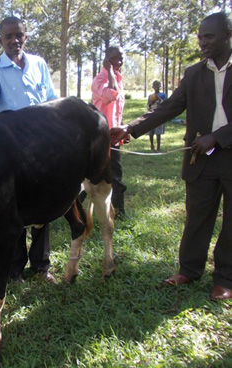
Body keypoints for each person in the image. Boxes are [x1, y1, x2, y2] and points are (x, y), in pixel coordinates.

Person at [110, 12, 232, 301]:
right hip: (200, 158)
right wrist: (130, 127)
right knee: (197, 216)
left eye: (209, 36)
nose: (202, 42)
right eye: (200, 36)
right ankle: (189, 270)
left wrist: (217, 137)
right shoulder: (193, 74)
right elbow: (168, 109)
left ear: (228, 34)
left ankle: (225, 278)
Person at [0, 16, 58, 284]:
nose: (14, 40)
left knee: (43, 206)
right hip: (12, 152)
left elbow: (51, 102)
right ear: (0, 41)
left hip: (43, 148)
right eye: (8, 36)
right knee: (16, 210)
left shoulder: (39, 65)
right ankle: (14, 269)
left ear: (26, 37)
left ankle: (41, 265)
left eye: (19, 35)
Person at [91, 45, 127, 217]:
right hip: (101, 138)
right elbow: (110, 95)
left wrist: (123, 128)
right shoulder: (99, 80)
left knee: (115, 177)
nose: (118, 62)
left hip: (114, 138)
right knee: (92, 178)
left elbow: (118, 107)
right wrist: (110, 72)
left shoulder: (119, 79)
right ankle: (71, 208)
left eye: (121, 58)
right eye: (114, 58)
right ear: (106, 59)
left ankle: (118, 212)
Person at [147, 80, 167, 152]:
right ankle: (152, 145)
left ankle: (158, 147)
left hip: (159, 115)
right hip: (152, 114)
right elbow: (148, 106)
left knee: (158, 132)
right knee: (151, 131)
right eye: (154, 85)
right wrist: (151, 102)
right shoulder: (150, 96)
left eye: (157, 85)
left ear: (160, 86)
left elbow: (165, 104)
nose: (156, 87)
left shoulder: (163, 95)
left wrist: (159, 99)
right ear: (152, 87)